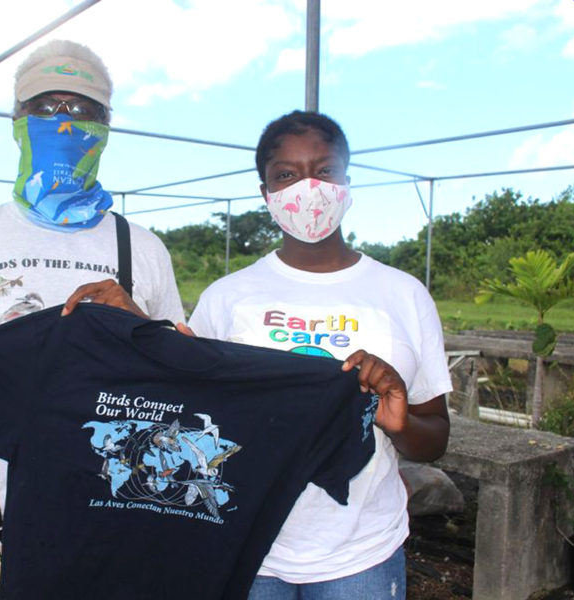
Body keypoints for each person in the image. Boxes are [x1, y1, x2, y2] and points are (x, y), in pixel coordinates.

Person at [0, 40, 185, 600]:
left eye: (82, 110)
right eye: (45, 107)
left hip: (111, 521)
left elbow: (179, 386)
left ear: (106, 125)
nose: (63, 124)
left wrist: (142, 325)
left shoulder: (140, 247)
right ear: (17, 123)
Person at [188, 110, 452, 599]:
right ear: (266, 194)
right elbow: (194, 418)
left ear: (347, 182)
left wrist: (398, 422)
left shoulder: (403, 294)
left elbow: (433, 439)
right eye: (286, 175)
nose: (307, 187)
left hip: (362, 552)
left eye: (323, 170)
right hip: (248, 545)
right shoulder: (226, 299)